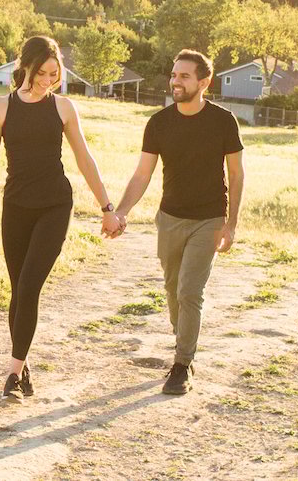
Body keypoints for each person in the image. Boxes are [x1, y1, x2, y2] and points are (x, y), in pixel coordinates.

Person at [0, 36, 123, 398]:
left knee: (30, 285)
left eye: (55, 73)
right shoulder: (0, 108)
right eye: (44, 73)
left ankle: (13, 375)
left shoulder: (64, 108)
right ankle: (23, 363)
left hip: (54, 206)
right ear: (28, 68)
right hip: (16, 207)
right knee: (18, 291)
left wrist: (107, 208)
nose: (50, 79)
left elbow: (84, 159)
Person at [111, 49, 245, 395]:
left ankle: (182, 364)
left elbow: (236, 173)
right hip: (169, 218)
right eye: (173, 75)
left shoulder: (223, 121)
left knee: (189, 291)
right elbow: (142, 174)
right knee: (173, 291)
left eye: (184, 76)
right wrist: (122, 210)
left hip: (209, 218)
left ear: (204, 81)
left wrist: (231, 224)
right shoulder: (159, 123)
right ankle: (183, 342)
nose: (176, 81)